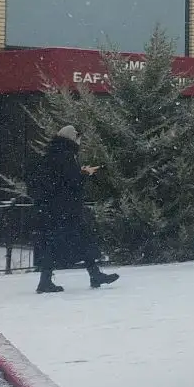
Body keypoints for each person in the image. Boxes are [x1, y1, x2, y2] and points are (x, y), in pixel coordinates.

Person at [28, 125, 118, 294]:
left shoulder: (53, 154)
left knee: (57, 243)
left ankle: (91, 275)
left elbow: (57, 180)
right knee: (79, 240)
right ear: (72, 139)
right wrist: (85, 173)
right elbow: (71, 181)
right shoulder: (66, 155)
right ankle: (92, 275)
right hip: (65, 210)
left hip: (53, 209)